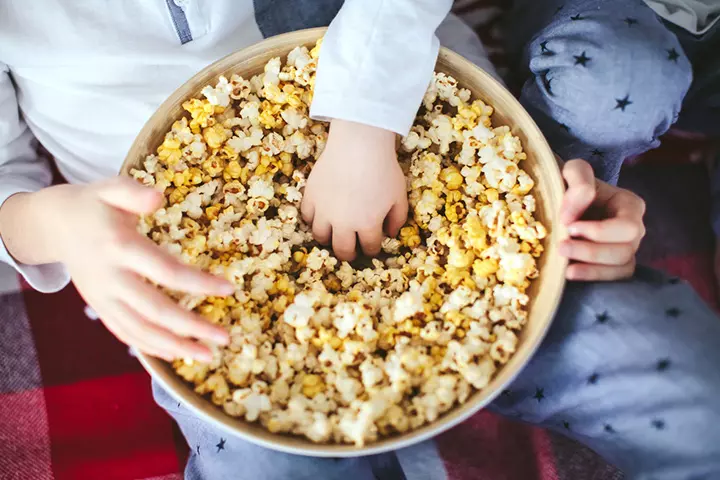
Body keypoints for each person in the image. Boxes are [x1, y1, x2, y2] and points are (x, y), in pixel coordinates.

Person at [0, 1, 718, 479]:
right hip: (201, 294)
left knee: (698, 413)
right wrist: (58, 223)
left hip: (443, 161)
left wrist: (365, 122)